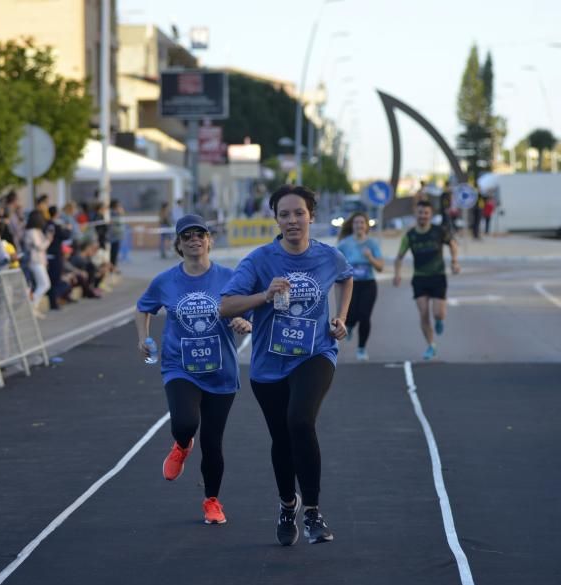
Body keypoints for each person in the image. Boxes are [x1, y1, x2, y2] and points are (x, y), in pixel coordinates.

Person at [220, 184, 353, 546]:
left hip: (316, 354)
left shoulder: (329, 256)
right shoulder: (260, 261)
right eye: (284, 214)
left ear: (311, 215)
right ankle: (286, 503)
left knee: (300, 420)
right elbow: (226, 306)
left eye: (299, 213)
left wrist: (340, 317)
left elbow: (346, 277)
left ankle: (312, 511)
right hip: (268, 364)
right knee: (281, 438)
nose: (292, 220)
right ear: (276, 219)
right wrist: (264, 296)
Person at [135, 214, 252, 525]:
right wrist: (143, 337)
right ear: (178, 244)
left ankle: (212, 501)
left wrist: (244, 321)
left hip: (221, 371)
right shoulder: (165, 281)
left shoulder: (230, 277)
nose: (194, 240)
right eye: (187, 236)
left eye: (200, 234)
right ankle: (182, 444)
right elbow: (143, 307)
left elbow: (249, 309)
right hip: (180, 367)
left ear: (209, 240)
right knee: (185, 422)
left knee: (213, 443)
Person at [393, 199, 461, 361]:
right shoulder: (410, 236)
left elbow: (453, 244)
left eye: (426, 213)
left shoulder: (439, 231)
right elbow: (399, 257)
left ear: (430, 215)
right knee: (423, 314)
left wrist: (454, 262)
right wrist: (397, 273)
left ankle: (439, 320)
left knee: (438, 313)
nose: (423, 216)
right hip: (420, 279)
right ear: (415, 214)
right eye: (420, 213)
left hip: (438, 277)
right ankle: (431, 345)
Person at [337, 211, 384, 361]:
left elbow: (380, 267)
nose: (359, 225)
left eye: (362, 223)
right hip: (350, 285)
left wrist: (370, 257)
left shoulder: (372, 244)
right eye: (356, 222)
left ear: (366, 226)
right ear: (352, 225)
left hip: (368, 284)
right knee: (350, 314)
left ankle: (362, 348)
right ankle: (349, 325)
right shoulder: (344, 244)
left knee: (364, 316)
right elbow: (337, 264)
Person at [23, 209, 54, 314]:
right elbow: (40, 246)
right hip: (35, 261)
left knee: (42, 284)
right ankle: (32, 306)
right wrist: (48, 240)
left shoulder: (37, 231)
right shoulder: (32, 232)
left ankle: (33, 307)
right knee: (45, 284)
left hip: (39, 261)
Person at [108, 199, 124, 273]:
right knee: (113, 253)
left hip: (117, 237)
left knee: (115, 253)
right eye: (119, 206)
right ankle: (112, 268)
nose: (120, 207)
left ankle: (114, 267)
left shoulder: (117, 214)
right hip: (114, 237)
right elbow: (113, 226)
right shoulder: (113, 214)